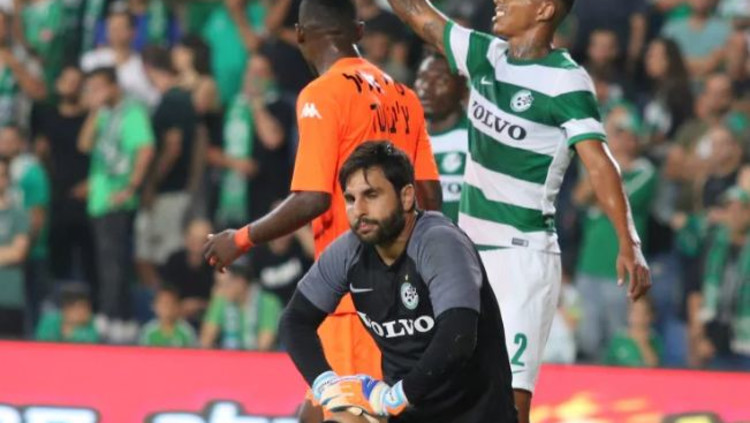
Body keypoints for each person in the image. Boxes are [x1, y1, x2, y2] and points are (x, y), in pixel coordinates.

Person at [383, 0, 652, 421]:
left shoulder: (566, 80)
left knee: (510, 402)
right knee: (446, 390)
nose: (500, 1)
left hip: (520, 258)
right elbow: (420, 16)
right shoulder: (484, 55)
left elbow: (599, 163)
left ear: (544, 9)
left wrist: (628, 240)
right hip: (466, 256)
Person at [203, 1, 442, 420]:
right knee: (314, 412)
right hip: (402, 287)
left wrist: (238, 239)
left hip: (355, 291)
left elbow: (313, 198)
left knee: (351, 412)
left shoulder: (322, 94)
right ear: (359, 31)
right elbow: (430, 197)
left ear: (299, 34)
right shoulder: (403, 96)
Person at [280, 141, 517, 423]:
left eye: (371, 195)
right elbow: (295, 320)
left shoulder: (439, 242)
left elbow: (458, 336)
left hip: (475, 415)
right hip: (409, 414)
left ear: (406, 197)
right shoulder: (348, 251)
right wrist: (326, 384)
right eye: (351, 199)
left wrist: (397, 396)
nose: (359, 210)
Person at [573, 106, 657, 360]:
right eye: (619, 134)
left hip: (620, 269)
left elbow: (616, 200)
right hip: (589, 264)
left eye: (629, 135)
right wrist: (604, 167)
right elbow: (579, 197)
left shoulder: (645, 171)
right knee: (586, 339)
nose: (624, 141)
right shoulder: (599, 168)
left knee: (617, 340)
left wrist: (604, 173)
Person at [79, 66, 155, 343]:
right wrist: (93, 111)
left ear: (114, 86)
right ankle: (121, 319)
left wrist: (131, 187)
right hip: (99, 200)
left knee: (114, 262)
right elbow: (84, 144)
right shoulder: (103, 114)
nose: (94, 93)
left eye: (99, 87)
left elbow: (145, 149)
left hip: (118, 199)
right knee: (107, 260)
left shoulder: (131, 112)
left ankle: (111, 317)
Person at [136, 46, 197, 287]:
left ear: (148, 68)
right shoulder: (183, 98)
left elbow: (173, 147)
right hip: (178, 187)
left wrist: (151, 184)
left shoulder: (172, 100)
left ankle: (166, 302)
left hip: (168, 191)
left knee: (162, 256)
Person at [35, 66, 97, 290]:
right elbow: (41, 151)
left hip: (88, 197)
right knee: (58, 262)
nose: (71, 86)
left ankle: (93, 305)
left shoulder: (92, 118)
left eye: (76, 81)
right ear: (58, 84)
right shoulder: (47, 116)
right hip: (57, 197)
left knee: (92, 263)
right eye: (67, 80)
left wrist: (93, 183)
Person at [0, 125, 50, 327]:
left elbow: (37, 215)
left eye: (10, 141)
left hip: (31, 255)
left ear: (21, 143)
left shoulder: (31, 172)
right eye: (2, 140)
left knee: (30, 311)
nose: (5, 145)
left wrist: (25, 246)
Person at [414, 52, 467, 223]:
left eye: (441, 81)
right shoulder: (406, 139)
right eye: (422, 78)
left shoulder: (476, 139)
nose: (426, 87)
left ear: (462, 88)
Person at [80, 7, 158, 107]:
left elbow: (153, 101)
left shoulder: (143, 67)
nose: (115, 32)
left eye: (120, 27)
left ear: (133, 32)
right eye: (111, 27)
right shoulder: (91, 61)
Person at [200, 256, 282, 351]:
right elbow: (205, 341)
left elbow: (264, 346)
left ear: (240, 282)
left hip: (258, 359)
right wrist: (215, 303)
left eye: (224, 284)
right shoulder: (221, 300)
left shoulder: (268, 302)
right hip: (227, 358)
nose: (218, 290)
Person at [160, 219, 215, 327]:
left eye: (202, 240)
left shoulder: (217, 263)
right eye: (193, 238)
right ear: (186, 238)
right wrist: (179, 307)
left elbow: (222, 299)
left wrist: (199, 305)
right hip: (176, 317)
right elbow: (165, 294)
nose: (197, 244)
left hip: (209, 319)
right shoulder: (174, 261)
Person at [0, 158, 29, 338]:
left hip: (9, 298)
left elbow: (19, 253)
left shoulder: (18, 213)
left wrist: (12, 252)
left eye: (2, 175)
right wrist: (6, 252)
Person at [604, 296, 662, 367]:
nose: (638, 317)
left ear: (650, 316)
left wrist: (643, 343)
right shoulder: (618, 339)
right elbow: (607, 367)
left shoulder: (654, 340)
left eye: (642, 312)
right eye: (634, 311)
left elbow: (654, 366)